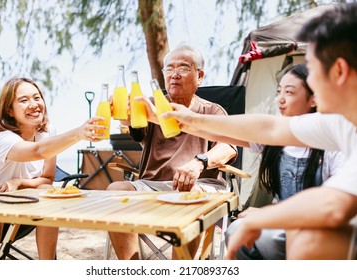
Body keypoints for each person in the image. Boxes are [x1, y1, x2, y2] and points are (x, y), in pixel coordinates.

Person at [164, 3, 357, 260]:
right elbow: (270, 128)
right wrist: (188, 120)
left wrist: (264, 215)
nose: (309, 80)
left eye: (312, 68)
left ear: (340, 71)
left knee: (310, 241)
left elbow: (334, 206)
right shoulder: (339, 124)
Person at [107, 42, 237, 260]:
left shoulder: (212, 111)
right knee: (115, 190)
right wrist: (126, 115)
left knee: (192, 197)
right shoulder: (150, 106)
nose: (174, 74)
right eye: (169, 69)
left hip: (200, 186)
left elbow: (228, 147)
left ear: (200, 76)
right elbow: (135, 123)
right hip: (151, 186)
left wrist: (199, 163)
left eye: (184, 68)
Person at [0, 77, 106, 259]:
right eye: (24, 100)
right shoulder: (4, 139)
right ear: (9, 110)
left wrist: (19, 182)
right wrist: (79, 133)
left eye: (37, 98)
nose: (33, 104)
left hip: (25, 209)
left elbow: (47, 179)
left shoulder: (46, 132)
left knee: (47, 190)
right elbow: (38, 151)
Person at [225, 64, 344, 259]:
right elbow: (227, 132)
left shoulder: (332, 143)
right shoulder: (276, 137)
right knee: (235, 230)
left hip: (323, 227)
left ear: (314, 99)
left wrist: (271, 213)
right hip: (284, 220)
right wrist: (185, 122)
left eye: (289, 92)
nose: (280, 99)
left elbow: (334, 204)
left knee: (268, 240)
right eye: (279, 91)